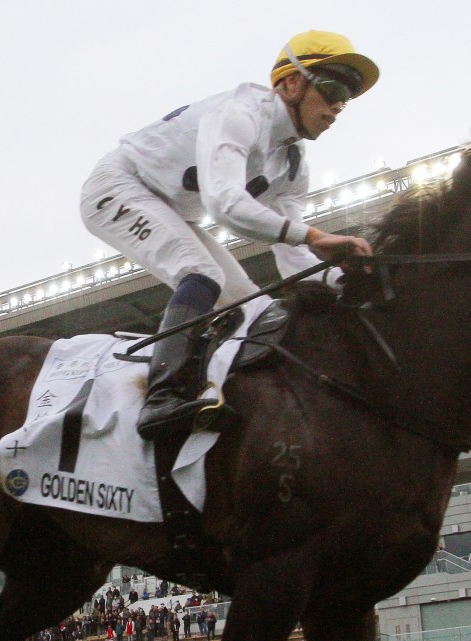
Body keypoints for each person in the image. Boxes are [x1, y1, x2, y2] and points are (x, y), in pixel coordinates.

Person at [79, 30, 378, 440]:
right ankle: (161, 398)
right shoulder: (241, 114)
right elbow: (225, 204)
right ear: (290, 83)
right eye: (330, 89)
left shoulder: (292, 164)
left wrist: (349, 281)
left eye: (346, 98)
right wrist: (311, 235)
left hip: (169, 209)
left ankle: (219, 394)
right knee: (202, 274)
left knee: (252, 306)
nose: (337, 107)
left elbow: (292, 260)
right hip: (118, 186)